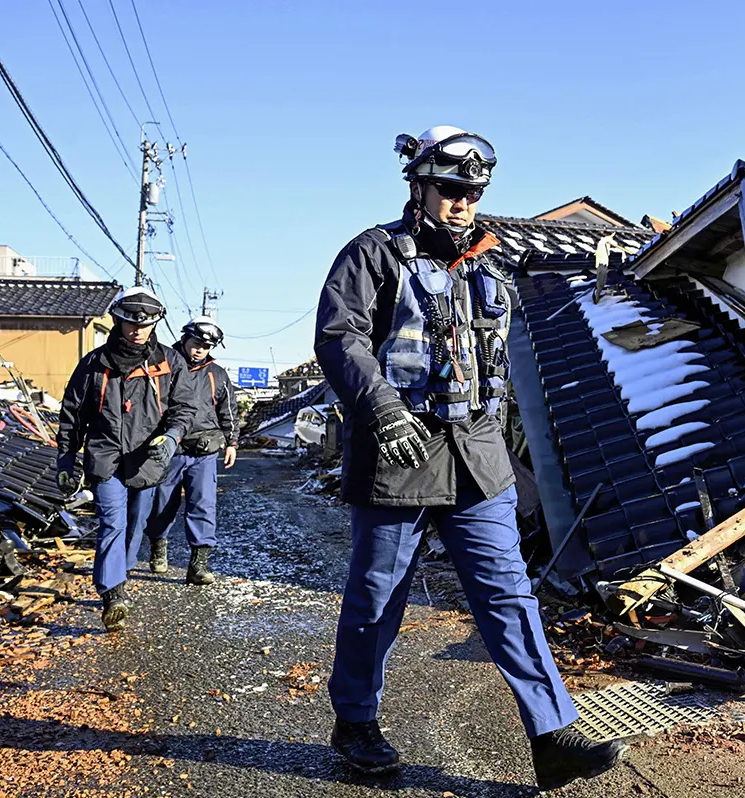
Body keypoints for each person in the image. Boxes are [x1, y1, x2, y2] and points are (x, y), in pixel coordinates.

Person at [315, 126, 625, 790]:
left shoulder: (489, 262)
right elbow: (340, 339)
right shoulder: (372, 254)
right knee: (377, 598)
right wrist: (382, 411)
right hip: (398, 451)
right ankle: (357, 722)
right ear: (418, 186)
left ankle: (550, 736)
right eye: (452, 189)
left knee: (509, 596)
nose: (463, 203)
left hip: (478, 458)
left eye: (474, 192)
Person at [56, 287, 198, 632]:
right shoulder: (93, 365)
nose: (137, 330)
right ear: (117, 320)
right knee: (112, 524)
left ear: (154, 324)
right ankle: (113, 594)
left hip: (147, 460)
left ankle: (122, 574)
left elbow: (184, 407)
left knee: (135, 524)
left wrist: (172, 436)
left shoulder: (168, 362)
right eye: (129, 322)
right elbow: (72, 414)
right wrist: (65, 458)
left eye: (145, 324)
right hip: (104, 457)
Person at [128, 316, 238, 585]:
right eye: (196, 343)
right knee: (162, 504)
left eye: (207, 346)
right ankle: (158, 545)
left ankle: (198, 565)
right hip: (168, 450)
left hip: (205, 450)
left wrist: (232, 442)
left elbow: (229, 410)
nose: (200, 349)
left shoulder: (218, 374)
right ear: (185, 338)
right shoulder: (163, 364)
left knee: (203, 504)